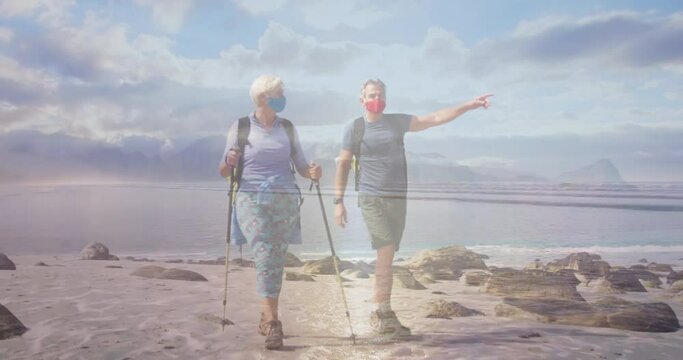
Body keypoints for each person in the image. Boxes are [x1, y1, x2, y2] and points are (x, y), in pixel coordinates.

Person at [333, 78, 492, 338]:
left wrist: (468, 105)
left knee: (390, 253)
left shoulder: (397, 122)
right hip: (372, 197)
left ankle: (384, 311)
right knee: (385, 250)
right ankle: (380, 311)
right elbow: (341, 165)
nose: (377, 98)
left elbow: (435, 117)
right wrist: (338, 203)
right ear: (362, 99)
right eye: (372, 94)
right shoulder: (355, 128)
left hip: (398, 199)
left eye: (381, 93)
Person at [218, 75, 322, 350]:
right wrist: (230, 161)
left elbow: (300, 164)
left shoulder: (287, 127)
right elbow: (223, 171)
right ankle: (274, 323)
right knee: (264, 255)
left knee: (275, 260)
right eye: (279, 92)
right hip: (251, 199)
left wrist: (311, 171)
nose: (283, 96)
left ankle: (265, 316)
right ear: (263, 96)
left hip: (285, 200)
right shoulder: (241, 127)